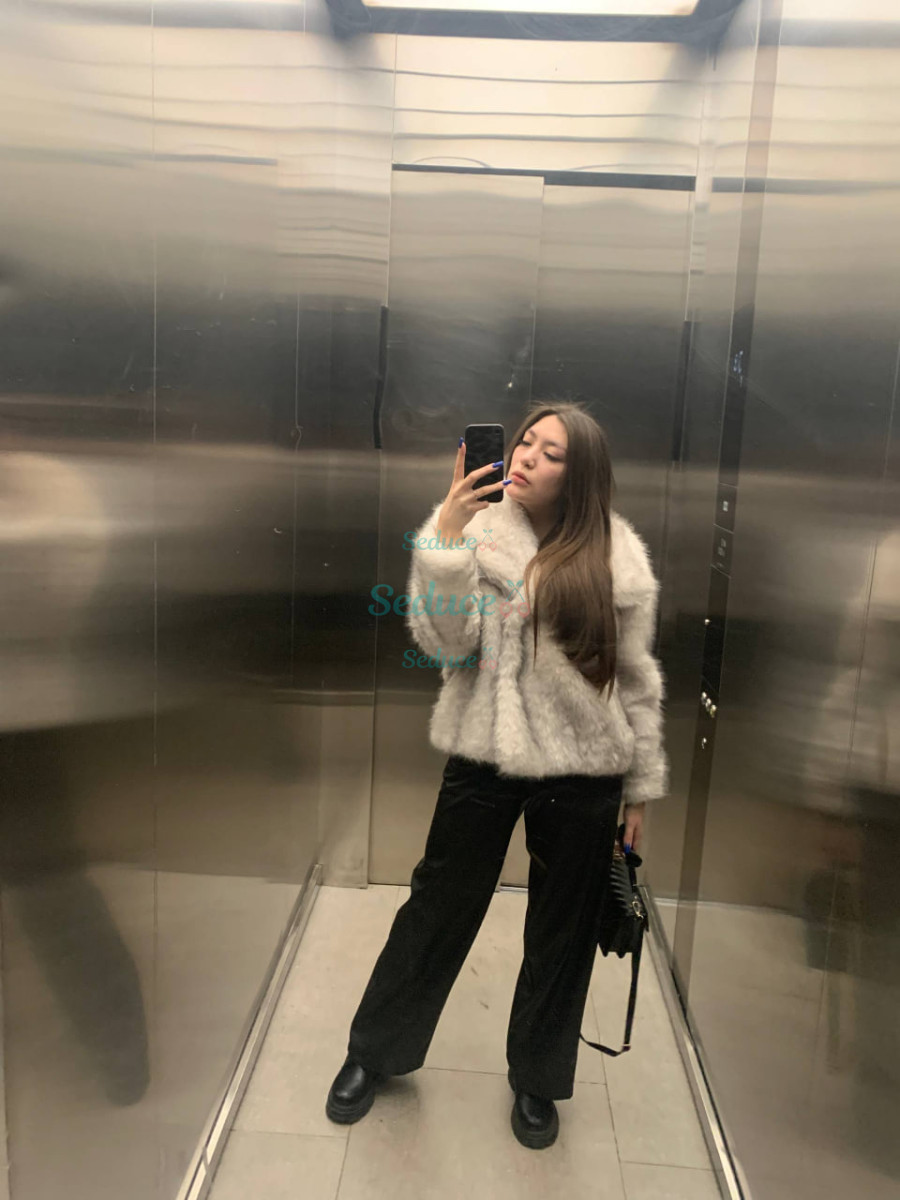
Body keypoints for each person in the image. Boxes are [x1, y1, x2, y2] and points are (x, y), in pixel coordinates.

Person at [325, 401, 668, 1150]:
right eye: (525, 443)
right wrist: (447, 538)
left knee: (562, 929)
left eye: (551, 453)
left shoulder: (619, 556)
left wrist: (639, 788)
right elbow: (447, 647)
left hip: (586, 767)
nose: (527, 458)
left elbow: (637, 682)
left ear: (580, 477)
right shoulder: (475, 530)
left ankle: (538, 1079)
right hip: (486, 751)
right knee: (437, 906)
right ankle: (374, 1052)